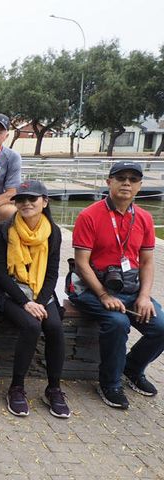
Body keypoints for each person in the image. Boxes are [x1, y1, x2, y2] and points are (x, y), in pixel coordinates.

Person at [69, 161, 164, 409]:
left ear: (140, 186)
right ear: (108, 182)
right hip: (91, 288)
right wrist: (102, 295)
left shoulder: (143, 218)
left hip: (129, 288)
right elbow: (81, 263)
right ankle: (109, 383)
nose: (126, 183)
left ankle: (132, 369)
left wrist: (144, 296)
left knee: (161, 326)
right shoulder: (89, 215)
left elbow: (146, 262)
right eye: (120, 177)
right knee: (118, 322)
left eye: (133, 179)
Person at [0, 180, 69, 418]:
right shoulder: (5, 229)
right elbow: (0, 272)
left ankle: (54, 388)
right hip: (10, 291)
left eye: (32, 199)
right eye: (21, 199)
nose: (26, 203)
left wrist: (40, 301)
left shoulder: (53, 232)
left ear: (45, 201)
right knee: (32, 325)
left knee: (54, 326)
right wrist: (25, 302)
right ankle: (16, 387)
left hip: (41, 291)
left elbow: (52, 272)